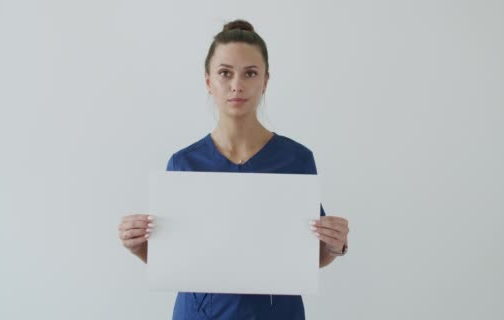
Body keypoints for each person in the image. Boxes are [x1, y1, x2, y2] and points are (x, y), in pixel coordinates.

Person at [118, 19, 350, 320]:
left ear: (266, 80)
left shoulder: (296, 160)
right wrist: (137, 246)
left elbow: (308, 259)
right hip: (201, 313)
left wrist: (335, 245)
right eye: (225, 73)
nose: (237, 85)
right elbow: (176, 263)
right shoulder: (184, 164)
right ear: (208, 81)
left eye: (250, 73)